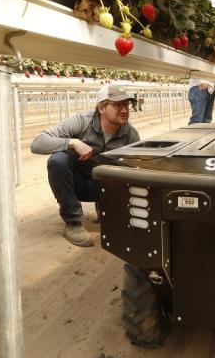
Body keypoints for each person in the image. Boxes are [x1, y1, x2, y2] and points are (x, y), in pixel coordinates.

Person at [31, 84, 140, 247]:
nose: (124, 110)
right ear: (102, 108)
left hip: (106, 186)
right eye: (118, 105)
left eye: (126, 104)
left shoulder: (130, 134)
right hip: (78, 183)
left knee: (130, 172)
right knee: (58, 160)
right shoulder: (81, 122)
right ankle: (73, 222)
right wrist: (72, 142)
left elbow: (137, 170)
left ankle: (106, 207)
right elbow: (37, 143)